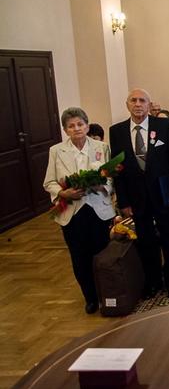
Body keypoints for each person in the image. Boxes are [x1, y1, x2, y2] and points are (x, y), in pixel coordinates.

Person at [109, 88, 169, 300]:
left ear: (149, 105)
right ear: (127, 104)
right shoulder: (117, 131)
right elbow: (118, 170)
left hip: (164, 195)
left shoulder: (165, 125)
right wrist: (123, 201)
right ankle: (153, 281)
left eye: (142, 100)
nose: (138, 104)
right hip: (136, 198)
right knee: (145, 241)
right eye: (133, 100)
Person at [43, 107, 115, 314]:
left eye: (80, 124)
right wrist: (63, 193)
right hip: (72, 211)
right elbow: (49, 182)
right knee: (79, 256)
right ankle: (90, 297)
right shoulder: (56, 151)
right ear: (65, 130)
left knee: (101, 254)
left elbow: (111, 178)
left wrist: (102, 185)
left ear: (87, 125)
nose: (76, 129)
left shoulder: (102, 147)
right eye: (71, 126)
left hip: (98, 210)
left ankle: (106, 293)